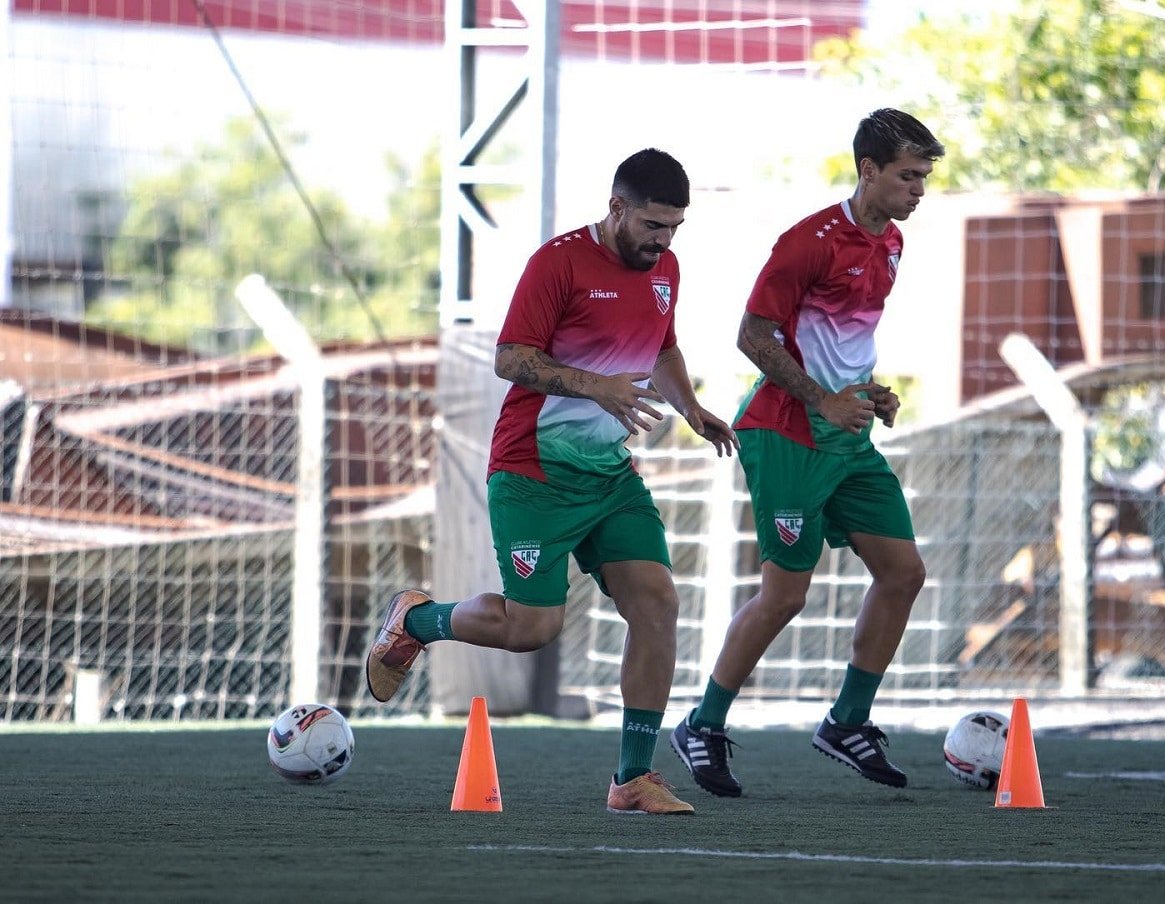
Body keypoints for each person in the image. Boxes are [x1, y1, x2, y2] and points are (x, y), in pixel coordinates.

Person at [367, 148, 738, 815]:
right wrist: (596, 386)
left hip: (609, 476)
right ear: (617, 206)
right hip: (533, 471)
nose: (664, 240)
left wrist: (691, 408)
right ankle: (416, 620)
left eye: (675, 228)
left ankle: (632, 778)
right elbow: (511, 358)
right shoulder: (558, 263)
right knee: (531, 627)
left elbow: (662, 346)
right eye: (654, 224)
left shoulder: (665, 269)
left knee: (656, 603)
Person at [671, 109, 944, 797]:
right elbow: (752, 336)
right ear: (868, 170)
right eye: (908, 177)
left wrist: (868, 392)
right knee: (786, 594)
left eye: (924, 178)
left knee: (904, 571)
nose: (919, 190)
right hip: (786, 433)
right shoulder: (808, 242)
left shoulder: (892, 244)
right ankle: (702, 725)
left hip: (848, 436)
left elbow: (837, 343)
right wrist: (822, 399)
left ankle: (846, 722)